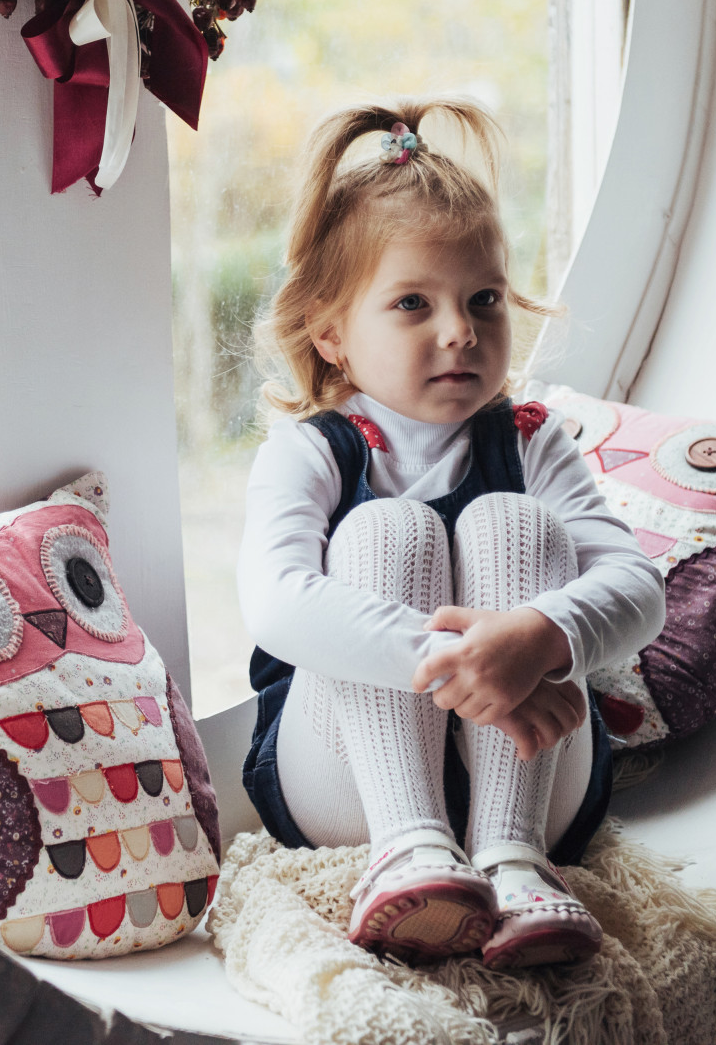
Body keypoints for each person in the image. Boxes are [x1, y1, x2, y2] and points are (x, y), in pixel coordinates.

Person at [237, 100, 665, 969]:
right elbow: (275, 606)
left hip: (537, 786)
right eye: (411, 304)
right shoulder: (309, 453)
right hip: (347, 789)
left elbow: (638, 589)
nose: (461, 331)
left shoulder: (532, 439)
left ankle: (513, 860)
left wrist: (537, 640)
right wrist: (461, 666)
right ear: (331, 334)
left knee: (515, 521)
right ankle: (411, 849)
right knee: (385, 530)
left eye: (484, 300)